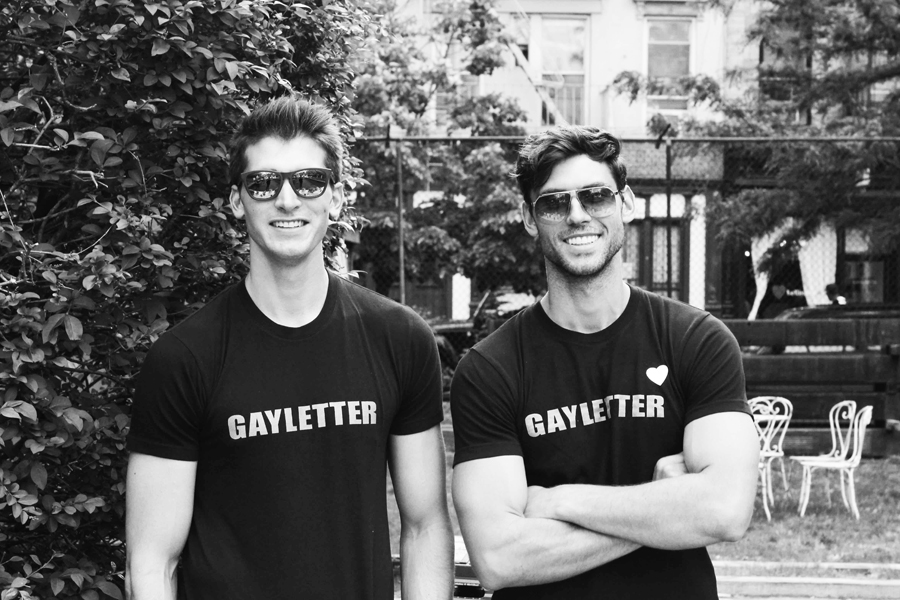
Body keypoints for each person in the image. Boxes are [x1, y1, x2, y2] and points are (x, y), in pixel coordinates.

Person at [125, 96, 454, 600]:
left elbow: (426, 526)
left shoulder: (398, 338)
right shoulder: (184, 359)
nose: (287, 199)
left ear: (335, 198)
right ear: (237, 201)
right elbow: (152, 564)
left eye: (308, 181)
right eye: (263, 183)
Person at [450, 126, 760, 599]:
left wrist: (561, 501)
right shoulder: (490, 369)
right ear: (531, 219)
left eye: (595, 196)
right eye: (554, 203)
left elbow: (725, 510)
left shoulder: (696, 340)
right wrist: (666, 510)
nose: (577, 215)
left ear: (626, 203)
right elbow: (498, 558)